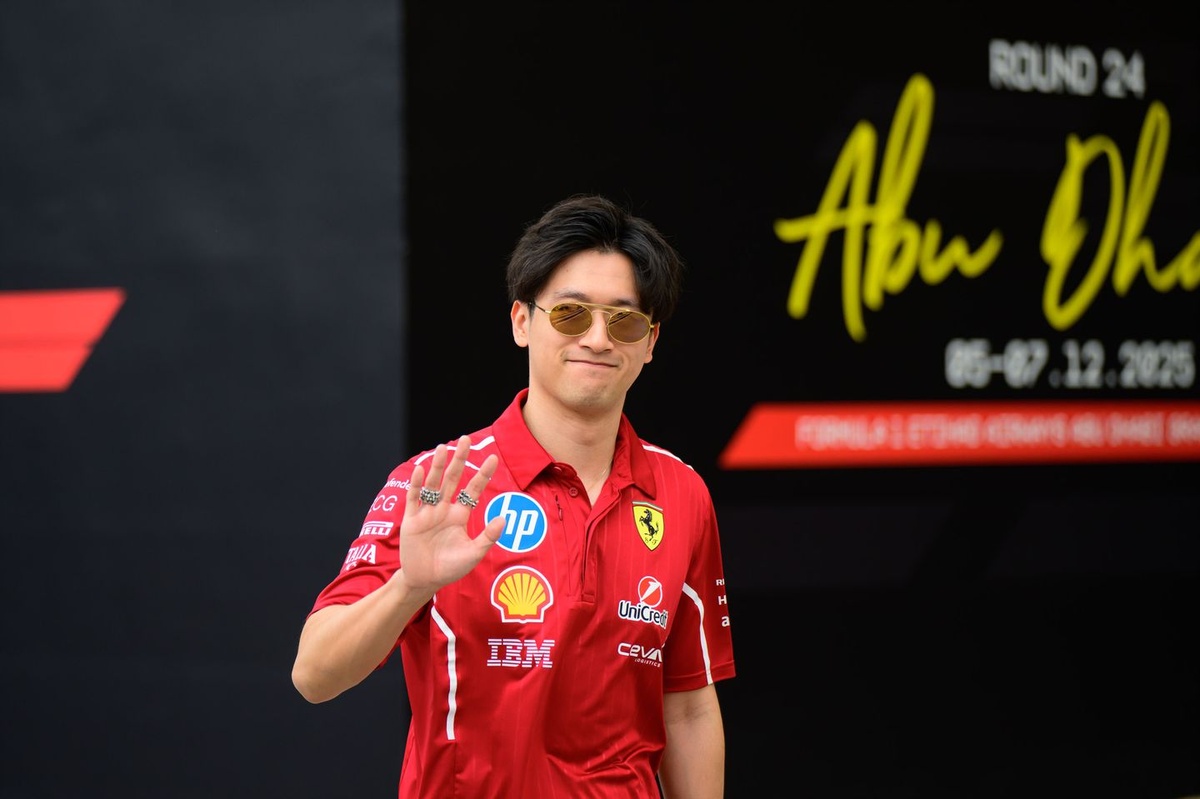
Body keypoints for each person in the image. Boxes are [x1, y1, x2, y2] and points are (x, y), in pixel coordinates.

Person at [291, 193, 736, 798]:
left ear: (650, 341)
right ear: (522, 322)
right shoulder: (437, 482)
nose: (598, 338)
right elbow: (314, 675)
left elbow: (687, 707)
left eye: (624, 321)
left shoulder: (682, 493)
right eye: (571, 314)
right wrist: (410, 586)